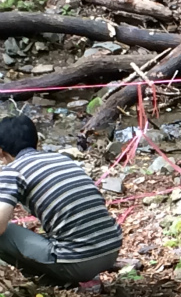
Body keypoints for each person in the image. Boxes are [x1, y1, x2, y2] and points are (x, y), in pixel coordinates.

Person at [0, 115, 123, 285]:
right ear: (36, 141)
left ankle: (54, 281)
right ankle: (82, 275)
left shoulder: (12, 170)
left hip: (78, 262)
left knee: (4, 234)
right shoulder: (61, 158)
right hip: (112, 248)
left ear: (1, 151)